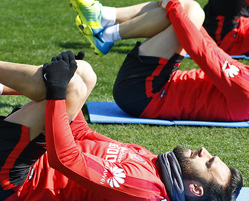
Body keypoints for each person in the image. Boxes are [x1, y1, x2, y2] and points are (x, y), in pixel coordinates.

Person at [0, 1, 243, 201]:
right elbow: (82, 136)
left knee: (71, 85)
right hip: (26, 158)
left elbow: (64, 159)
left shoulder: (142, 189)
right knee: (84, 74)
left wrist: (58, 91)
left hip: (8, 178)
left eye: (208, 163)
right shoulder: (153, 163)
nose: (205, 152)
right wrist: (67, 90)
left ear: (195, 189)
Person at [71, 0, 249, 122]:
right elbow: (213, 51)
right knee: (190, 10)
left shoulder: (246, 89)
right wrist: (185, 18)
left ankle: (106, 30)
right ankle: (105, 20)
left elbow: (201, 53)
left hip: (144, 93)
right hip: (154, 85)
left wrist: (175, 8)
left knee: (189, 11)